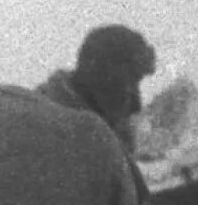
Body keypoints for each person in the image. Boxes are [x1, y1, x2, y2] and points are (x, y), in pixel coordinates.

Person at [37, 23, 155, 156]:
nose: (136, 105)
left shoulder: (110, 132)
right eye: (129, 85)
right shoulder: (41, 133)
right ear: (103, 79)